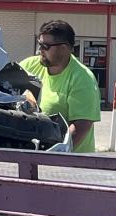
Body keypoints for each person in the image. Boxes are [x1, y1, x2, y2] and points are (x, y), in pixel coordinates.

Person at [20, 20, 101, 153]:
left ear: (64, 48)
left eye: (45, 46)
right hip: (35, 153)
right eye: (39, 44)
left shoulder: (82, 78)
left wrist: (56, 154)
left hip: (72, 164)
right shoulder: (29, 66)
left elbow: (81, 126)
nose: (40, 50)